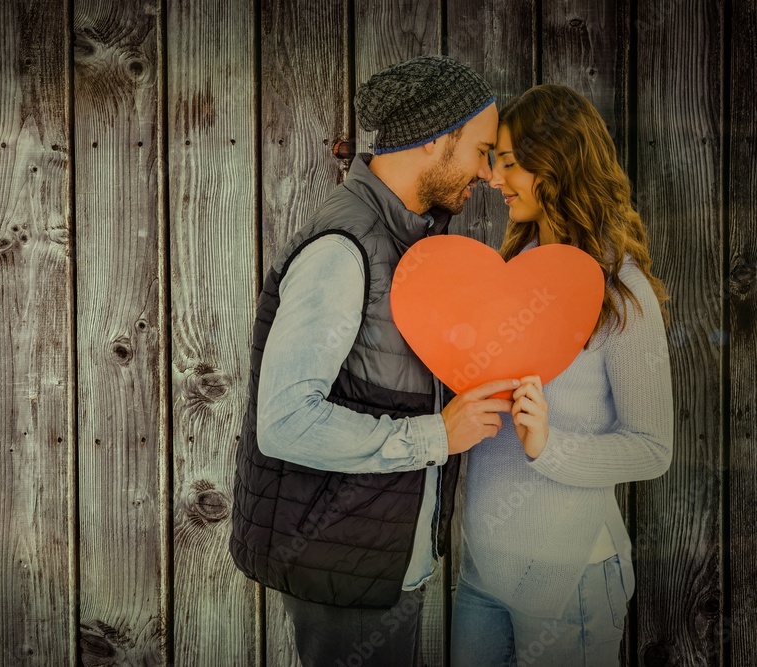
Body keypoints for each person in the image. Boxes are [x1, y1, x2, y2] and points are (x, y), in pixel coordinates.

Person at [229, 55, 518, 665]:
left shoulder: (408, 239)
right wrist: (437, 434)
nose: (491, 175)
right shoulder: (345, 247)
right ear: (437, 140)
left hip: (377, 561)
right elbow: (286, 422)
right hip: (341, 563)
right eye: (483, 150)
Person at [450, 84, 674, 666]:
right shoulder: (508, 275)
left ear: (557, 163)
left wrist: (551, 448)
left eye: (509, 162)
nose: (494, 179)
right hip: (481, 573)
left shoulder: (622, 293)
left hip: (571, 583)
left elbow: (652, 450)